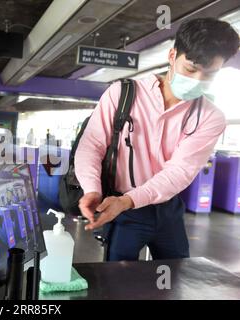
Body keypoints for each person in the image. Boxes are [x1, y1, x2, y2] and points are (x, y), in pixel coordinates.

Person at [75, 18, 239, 261]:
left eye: (210, 74)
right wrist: (92, 189)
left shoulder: (210, 117)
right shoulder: (122, 94)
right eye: (191, 69)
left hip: (166, 210)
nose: (197, 80)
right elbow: (92, 146)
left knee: (177, 276)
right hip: (121, 208)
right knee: (118, 281)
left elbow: (179, 171)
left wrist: (129, 200)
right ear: (172, 56)